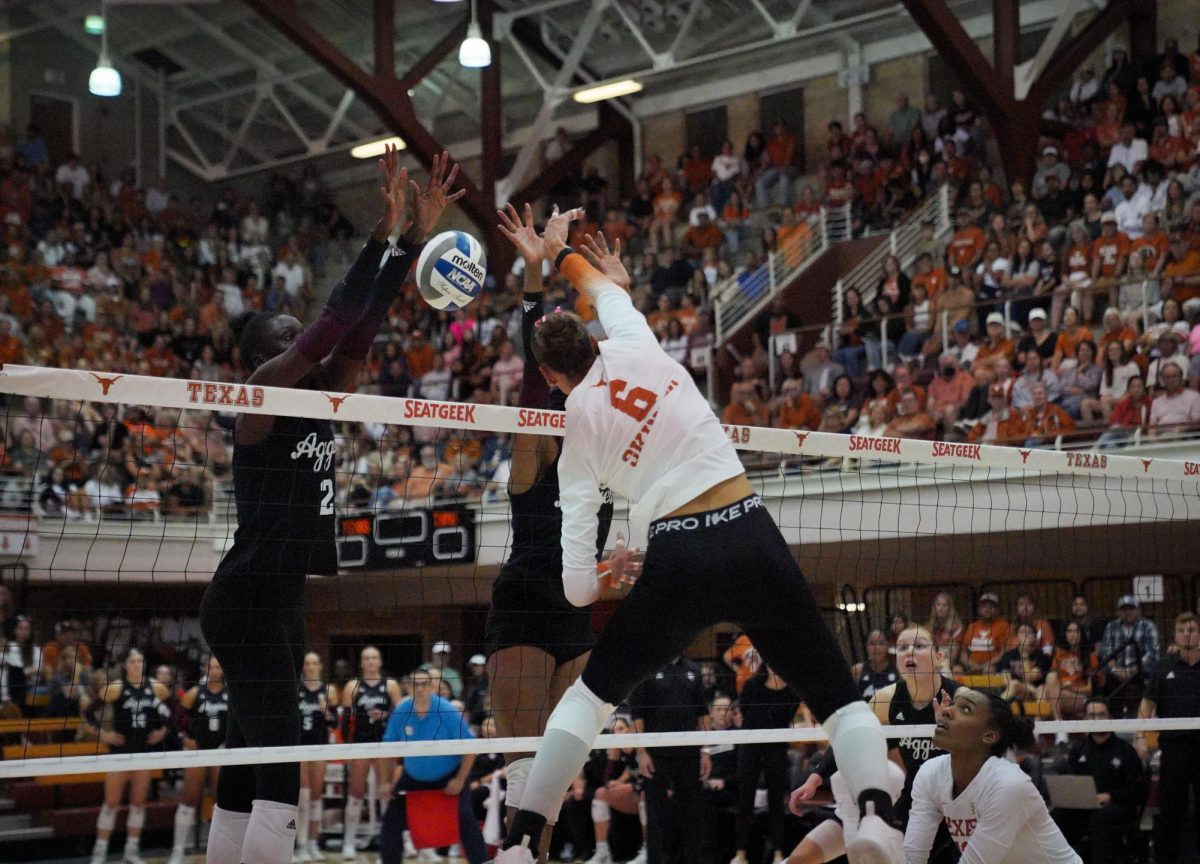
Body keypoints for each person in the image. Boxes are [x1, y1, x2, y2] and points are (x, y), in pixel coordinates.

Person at [493, 212, 903, 864]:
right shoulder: (633, 338)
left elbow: (574, 591)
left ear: (553, 376)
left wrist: (605, 575)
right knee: (838, 697)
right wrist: (561, 249)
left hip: (676, 554)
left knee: (591, 698)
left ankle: (517, 841)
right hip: (746, 528)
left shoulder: (574, 432)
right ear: (593, 341)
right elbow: (601, 288)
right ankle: (878, 820)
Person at [198, 148, 460, 864]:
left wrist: (411, 236)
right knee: (283, 752)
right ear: (266, 355)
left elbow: (360, 325)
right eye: (288, 339)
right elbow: (327, 326)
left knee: (248, 753)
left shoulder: (321, 392)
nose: (304, 345)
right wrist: (379, 232)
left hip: (280, 595)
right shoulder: (261, 396)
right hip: (245, 596)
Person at [490, 203, 617, 854]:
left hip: (576, 610)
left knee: (558, 775)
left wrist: (612, 289)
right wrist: (536, 273)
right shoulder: (536, 438)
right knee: (523, 773)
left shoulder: (608, 436)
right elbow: (536, 360)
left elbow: (623, 358)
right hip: (524, 606)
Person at [790, 627, 960, 864]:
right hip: (912, 796)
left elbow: (983, 757)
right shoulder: (886, 698)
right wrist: (817, 775)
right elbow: (853, 736)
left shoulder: (960, 697)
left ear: (939, 657)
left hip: (954, 798)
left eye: (919, 646)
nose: (909, 651)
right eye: (902, 647)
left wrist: (953, 733)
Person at [905, 688, 1081, 863]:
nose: (947, 711)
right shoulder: (930, 774)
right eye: (952, 704)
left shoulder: (1008, 785)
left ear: (989, 736)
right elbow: (912, 857)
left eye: (965, 709)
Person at [378, 668, 486, 864]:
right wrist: (385, 782)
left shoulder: (445, 710)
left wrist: (460, 780)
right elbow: (387, 751)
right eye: (414, 684)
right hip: (413, 779)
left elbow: (471, 748)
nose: (419, 689)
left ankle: (481, 861)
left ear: (431, 686)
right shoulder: (402, 711)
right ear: (407, 687)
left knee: (464, 817)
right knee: (391, 819)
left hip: (449, 776)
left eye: (423, 684)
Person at [90, 648, 172, 864]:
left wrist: (162, 730)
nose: (137, 665)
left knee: (138, 803)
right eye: (133, 661)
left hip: (143, 753)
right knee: (111, 803)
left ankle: (131, 851)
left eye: (140, 661)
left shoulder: (156, 687)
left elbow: (171, 711)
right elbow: (89, 712)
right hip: (119, 752)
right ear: (125, 665)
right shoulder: (116, 688)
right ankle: (99, 854)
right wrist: (104, 735)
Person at [629, 656, 709, 864]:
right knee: (657, 817)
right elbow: (637, 715)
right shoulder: (647, 667)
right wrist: (641, 753)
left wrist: (707, 750)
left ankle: (692, 860)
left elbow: (703, 713)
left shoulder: (694, 669)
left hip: (689, 754)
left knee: (693, 816)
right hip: (656, 756)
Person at [1136, 612, 1200, 864]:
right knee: (1172, 809)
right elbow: (1147, 702)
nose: (1187, 633)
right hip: (1174, 748)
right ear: (1175, 635)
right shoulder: (1164, 667)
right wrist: (1140, 735)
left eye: (1192, 628)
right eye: (1182, 629)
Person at [1051, 697, 1144, 864]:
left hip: (1117, 807)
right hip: (1085, 806)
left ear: (1109, 718)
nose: (1097, 719)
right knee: (1058, 815)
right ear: (1085, 719)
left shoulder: (1125, 750)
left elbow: (1137, 790)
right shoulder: (1078, 749)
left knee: (1099, 818)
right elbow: (1072, 783)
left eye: (1101, 714)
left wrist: (1108, 796)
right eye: (1092, 715)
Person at [340, 645, 403, 860]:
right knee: (356, 792)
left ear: (380, 661)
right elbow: (345, 722)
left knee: (385, 793)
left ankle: (388, 841)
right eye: (366, 658)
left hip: (384, 744)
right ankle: (349, 842)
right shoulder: (352, 686)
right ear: (361, 662)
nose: (370, 662)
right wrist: (347, 749)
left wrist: (385, 716)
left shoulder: (391, 685)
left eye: (374, 658)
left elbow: (400, 715)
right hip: (361, 744)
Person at [170, 656, 229, 864]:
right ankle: (177, 852)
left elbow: (237, 724)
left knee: (221, 801)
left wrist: (229, 744)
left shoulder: (230, 695)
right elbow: (175, 721)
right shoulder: (195, 693)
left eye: (217, 667)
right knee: (189, 799)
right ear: (205, 669)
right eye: (210, 667)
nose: (213, 671)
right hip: (198, 752)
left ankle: (219, 851)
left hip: (221, 753)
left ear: (222, 670)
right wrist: (184, 739)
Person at [297, 652, 337, 862]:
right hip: (300, 748)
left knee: (315, 798)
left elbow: (335, 724)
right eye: (307, 663)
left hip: (320, 747)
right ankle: (300, 845)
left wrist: (327, 711)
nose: (311, 667)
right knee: (302, 798)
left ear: (320, 666)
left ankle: (313, 842)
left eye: (314, 663)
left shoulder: (328, 691)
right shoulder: (296, 690)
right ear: (303, 667)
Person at [1099, 595, 1159, 717]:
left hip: (1141, 672)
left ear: (1138, 610)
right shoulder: (1111, 626)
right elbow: (1106, 652)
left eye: (1131, 608)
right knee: (1105, 681)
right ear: (1118, 612)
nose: (1127, 612)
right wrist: (1117, 670)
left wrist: (1133, 671)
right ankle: (1112, 717)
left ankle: (1140, 716)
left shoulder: (1148, 626)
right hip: (1116, 674)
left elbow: (1153, 653)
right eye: (1123, 609)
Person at [1042, 621, 1095, 721]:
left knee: (1043, 696)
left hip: (1080, 697)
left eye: (1076, 631)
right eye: (1069, 631)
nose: (1073, 634)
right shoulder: (1059, 655)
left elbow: (1090, 689)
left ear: (1081, 634)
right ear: (1065, 635)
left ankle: (1057, 726)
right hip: (1058, 694)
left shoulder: (1090, 657)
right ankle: (1056, 724)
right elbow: (1052, 682)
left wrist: (1070, 687)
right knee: (1049, 680)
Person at [959, 593, 1011, 674]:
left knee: (989, 670)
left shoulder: (1003, 626)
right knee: (957, 670)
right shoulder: (972, 626)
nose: (987, 609)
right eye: (984, 606)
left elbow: (1004, 652)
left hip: (993, 666)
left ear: (997, 609)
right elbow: (963, 653)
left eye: (991, 607)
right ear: (979, 610)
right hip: (971, 666)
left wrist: (985, 666)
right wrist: (970, 664)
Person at [852, 631, 899, 701]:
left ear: (888, 646)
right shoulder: (858, 669)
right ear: (866, 647)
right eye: (872, 644)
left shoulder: (899, 668)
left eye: (881, 643)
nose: (876, 647)